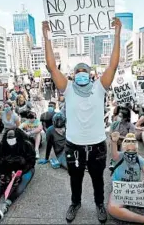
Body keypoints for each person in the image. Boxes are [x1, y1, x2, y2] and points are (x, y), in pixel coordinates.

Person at [42, 17, 122, 223]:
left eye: (84, 71)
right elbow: (51, 67)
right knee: (75, 178)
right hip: (74, 145)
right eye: (77, 71)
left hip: (96, 145)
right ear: (72, 75)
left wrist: (117, 33)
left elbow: (113, 65)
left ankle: (99, 204)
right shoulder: (67, 88)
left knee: (97, 179)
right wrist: (46, 36)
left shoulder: (99, 87)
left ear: (91, 74)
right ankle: (75, 203)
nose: (80, 74)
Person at [108, 132, 144, 224]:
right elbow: (113, 152)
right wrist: (113, 142)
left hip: (135, 189)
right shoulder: (119, 157)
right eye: (128, 150)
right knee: (112, 208)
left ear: (137, 149)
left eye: (133, 150)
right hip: (120, 189)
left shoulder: (140, 159)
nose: (130, 152)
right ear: (124, 149)